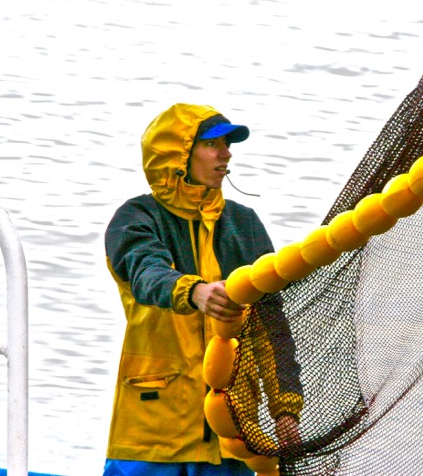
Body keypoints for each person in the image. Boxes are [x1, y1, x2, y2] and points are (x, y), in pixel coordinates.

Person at [103, 103, 303, 476]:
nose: (226, 154)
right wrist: (195, 292)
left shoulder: (245, 223)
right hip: (153, 435)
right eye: (214, 144)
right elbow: (146, 272)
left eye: (228, 144)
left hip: (233, 434)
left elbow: (270, 325)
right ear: (179, 155)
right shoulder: (136, 218)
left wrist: (285, 410)